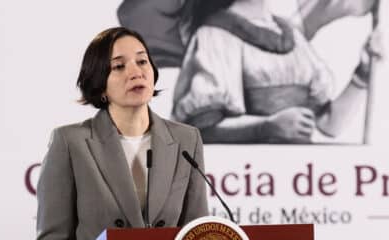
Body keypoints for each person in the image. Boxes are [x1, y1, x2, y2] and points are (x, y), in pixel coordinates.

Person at [36, 27, 208, 240]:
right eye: (119, 66)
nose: (136, 72)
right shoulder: (70, 143)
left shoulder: (187, 139)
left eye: (142, 61)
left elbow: (199, 231)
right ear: (99, 84)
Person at [172, 0, 376, 144]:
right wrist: (267, 127)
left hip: (304, 177)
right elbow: (200, 129)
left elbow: (328, 125)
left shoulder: (292, 36)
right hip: (250, 178)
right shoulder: (214, 35)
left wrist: (363, 74)